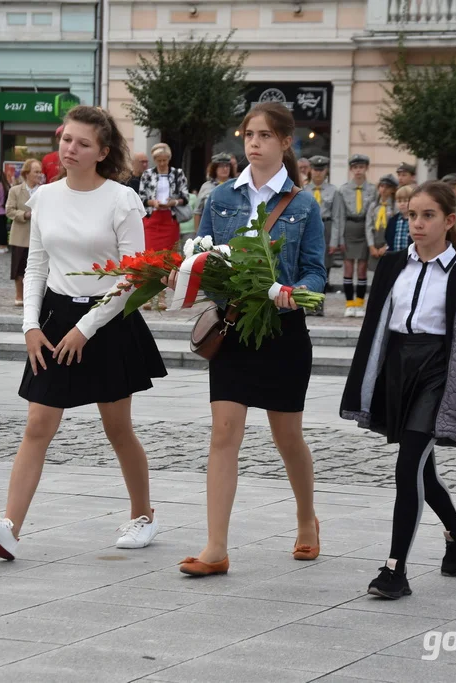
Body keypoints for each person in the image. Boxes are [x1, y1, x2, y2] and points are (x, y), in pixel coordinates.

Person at [0, 105, 166, 560]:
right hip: (55, 319)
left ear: (102, 152)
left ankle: (143, 515)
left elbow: (132, 275)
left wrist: (87, 327)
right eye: (66, 140)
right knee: (38, 423)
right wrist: (31, 326)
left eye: (82, 143)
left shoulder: (121, 200)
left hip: (110, 321)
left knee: (117, 427)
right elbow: (36, 264)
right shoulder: (45, 197)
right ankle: (9, 526)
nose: (70, 149)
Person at [176, 102, 326, 577]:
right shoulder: (220, 198)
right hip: (235, 328)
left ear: (286, 142)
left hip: (283, 333)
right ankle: (216, 547)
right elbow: (199, 259)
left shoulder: (303, 205)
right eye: (248, 134)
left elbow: (317, 272)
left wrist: (297, 294)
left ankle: (307, 519)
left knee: (288, 438)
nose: (253, 143)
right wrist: (199, 280)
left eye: (264, 135)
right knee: (224, 433)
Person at [341, 181, 456, 599]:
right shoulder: (391, 264)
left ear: (449, 221)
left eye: (428, 216)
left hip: (437, 373)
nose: (418, 223)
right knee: (421, 466)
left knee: (408, 467)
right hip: (396, 368)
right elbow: (374, 326)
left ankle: (395, 570)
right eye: (412, 215)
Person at [138, 142, 189, 311]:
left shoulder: (177, 173)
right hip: (153, 219)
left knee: (167, 258)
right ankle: (148, 295)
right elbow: (141, 197)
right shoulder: (147, 174)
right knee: (150, 257)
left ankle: (161, 296)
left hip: (169, 219)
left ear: (169, 159)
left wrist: (173, 202)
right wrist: (152, 202)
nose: (161, 163)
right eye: (159, 160)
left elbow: (185, 196)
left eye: (164, 160)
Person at [332, 154, 376, 317]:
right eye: (355, 167)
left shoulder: (373, 189)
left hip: (365, 229)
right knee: (348, 268)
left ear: (366, 168)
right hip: (349, 228)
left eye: (361, 167)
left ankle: (360, 303)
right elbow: (340, 215)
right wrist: (340, 239)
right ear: (351, 169)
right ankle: (349, 304)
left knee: (362, 269)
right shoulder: (343, 190)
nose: (358, 171)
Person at [5, 159, 42, 307]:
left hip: (38, 236)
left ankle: (34, 297)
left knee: (37, 269)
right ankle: (19, 295)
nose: (39, 175)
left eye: (40, 171)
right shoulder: (15, 190)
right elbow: (9, 210)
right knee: (19, 268)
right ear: (27, 173)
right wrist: (25, 215)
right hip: (20, 235)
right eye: (36, 172)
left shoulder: (43, 190)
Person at [304, 155, 336, 291]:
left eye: (321, 169)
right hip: (308, 228)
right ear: (310, 170)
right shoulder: (303, 190)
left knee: (324, 267)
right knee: (308, 264)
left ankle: (319, 303)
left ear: (326, 170)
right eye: (315, 169)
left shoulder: (333, 190)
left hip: (326, 227)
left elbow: (337, 217)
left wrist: (335, 240)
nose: (318, 173)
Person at [194, 152, 235, 233]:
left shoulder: (236, 186)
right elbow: (197, 212)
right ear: (214, 168)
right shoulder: (206, 187)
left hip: (230, 230)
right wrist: (197, 234)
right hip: (210, 230)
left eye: (227, 166)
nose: (225, 169)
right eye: (221, 166)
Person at [367, 174, 399, 270]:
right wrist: (371, 246)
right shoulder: (373, 206)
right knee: (375, 273)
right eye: (381, 186)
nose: (383, 189)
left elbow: (395, 229)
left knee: (388, 270)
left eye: (387, 187)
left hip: (389, 245)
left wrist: (387, 246)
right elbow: (368, 226)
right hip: (375, 244)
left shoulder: (395, 207)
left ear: (393, 190)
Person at [387, 184, 414, 253]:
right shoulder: (393, 220)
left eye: (405, 201)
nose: (402, 204)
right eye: (399, 201)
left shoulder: (415, 220)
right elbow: (388, 237)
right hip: (395, 255)